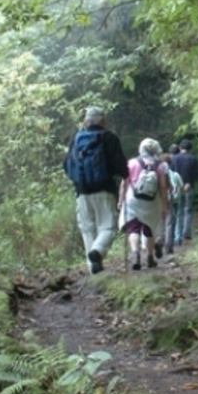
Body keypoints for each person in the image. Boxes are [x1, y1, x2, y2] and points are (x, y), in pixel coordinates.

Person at [64, 107, 129, 274]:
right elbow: (122, 167)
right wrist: (123, 176)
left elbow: (66, 165)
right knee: (108, 227)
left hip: (82, 191)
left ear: (86, 121)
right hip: (105, 190)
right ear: (102, 120)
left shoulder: (77, 139)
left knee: (87, 229)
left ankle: (93, 270)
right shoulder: (110, 138)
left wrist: (78, 180)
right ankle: (98, 251)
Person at [119, 138, 170, 270]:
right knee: (150, 229)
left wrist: (121, 200)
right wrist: (165, 205)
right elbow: (163, 187)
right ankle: (149, 257)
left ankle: (135, 255)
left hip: (133, 199)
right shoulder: (160, 165)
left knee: (133, 228)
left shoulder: (132, 163)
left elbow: (124, 183)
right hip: (152, 202)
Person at [173, 138, 198, 244]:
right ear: (190, 148)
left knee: (178, 211)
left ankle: (177, 235)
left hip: (177, 188)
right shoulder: (193, 159)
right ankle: (186, 232)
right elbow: (195, 174)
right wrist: (189, 183)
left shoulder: (174, 158)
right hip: (189, 186)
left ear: (180, 148)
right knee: (188, 210)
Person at [160, 152, 184, 255]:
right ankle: (169, 247)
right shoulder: (175, 174)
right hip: (171, 201)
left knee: (159, 223)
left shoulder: (157, 172)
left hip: (158, 201)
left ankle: (158, 241)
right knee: (170, 224)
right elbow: (180, 187)